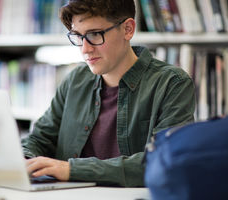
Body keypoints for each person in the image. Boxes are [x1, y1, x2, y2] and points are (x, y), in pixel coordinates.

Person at [22, 0, 195, 187]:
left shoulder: (172, 83)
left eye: (95, 34)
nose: (85, 49)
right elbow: (39, 139)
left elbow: (165, 162)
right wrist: (23, 160)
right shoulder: (75, 80)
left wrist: (72, 170)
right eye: (78, 36)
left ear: (128, 29)